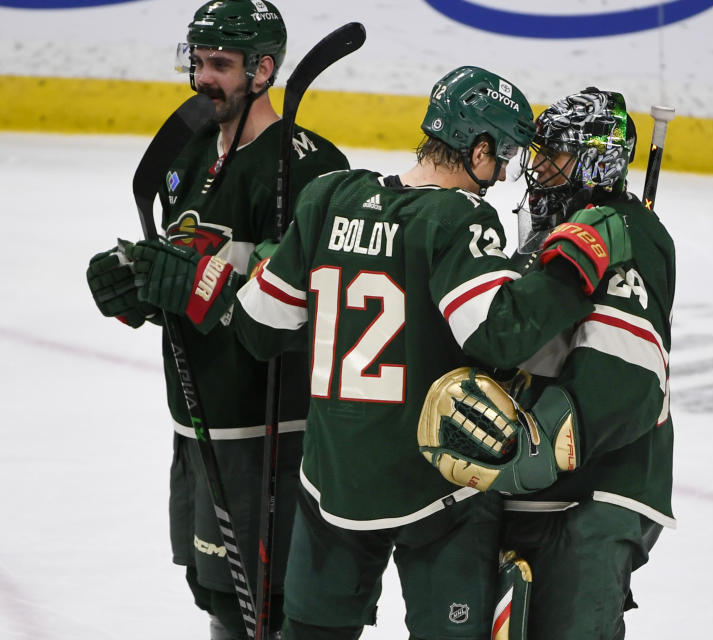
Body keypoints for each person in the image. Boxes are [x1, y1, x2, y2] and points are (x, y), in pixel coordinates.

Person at [124, 66, 632, 639]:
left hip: (331, 479)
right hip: (436, 486)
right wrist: (572, 269)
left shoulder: (327, 197)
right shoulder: (460, 219)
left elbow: (260, 328)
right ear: (479, 147)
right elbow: (501, 336)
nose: (502, 175)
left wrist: (254, 267)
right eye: (504, 156)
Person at [83, 1, 349, 638]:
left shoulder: (308, 168)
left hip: (271, 429)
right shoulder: (190, 147)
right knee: (215, 596)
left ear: (263, 70)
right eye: (198, 61)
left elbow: (309, 302)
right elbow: (188, 262)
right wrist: (140, 287)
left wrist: (199, 285)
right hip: (198, 411)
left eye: (221, 65)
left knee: (266, 606)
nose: (204, 78)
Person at [419, 88, 677, 640]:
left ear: (596, 157)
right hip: (528, 490)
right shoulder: (545, 234)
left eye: (553, 155)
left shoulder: (628, 229)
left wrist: (541, 443)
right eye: (536, 154)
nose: (536, 168)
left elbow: (628, 368)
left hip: (597, 490)